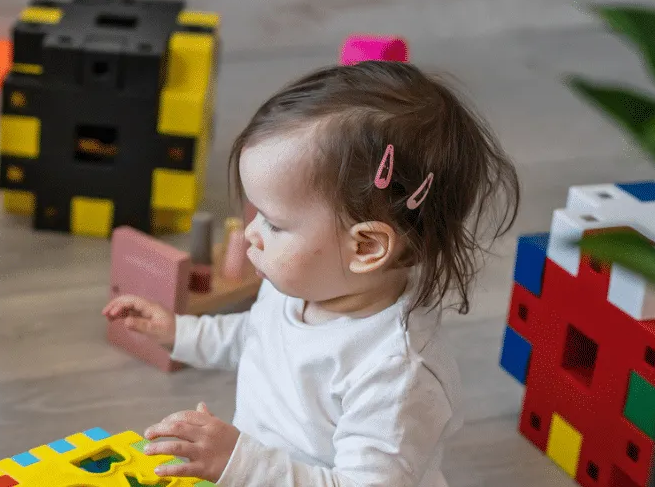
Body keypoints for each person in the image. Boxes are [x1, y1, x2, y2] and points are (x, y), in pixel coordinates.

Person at [104, 61, 519, 485]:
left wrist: (241, 462)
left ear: (366, 247)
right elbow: (256, 339)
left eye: (274, 223)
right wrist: (179, 333)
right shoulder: (304, 287)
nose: (251, 233)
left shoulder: (395, 375)